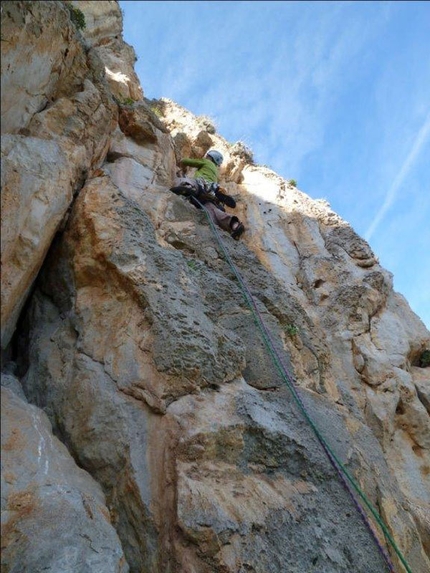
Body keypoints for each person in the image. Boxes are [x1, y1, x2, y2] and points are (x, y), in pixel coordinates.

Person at [170, 149, 245, 240]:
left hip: (200, 186)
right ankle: (234, 225)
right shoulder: (215, 173)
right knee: (215, 213)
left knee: (186, 181)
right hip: (209, 194)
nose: (206, 157)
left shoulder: (206, 162)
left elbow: (188, 161)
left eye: (207, 156)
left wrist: (181, 161)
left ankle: (187, 188)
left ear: (210, 157)